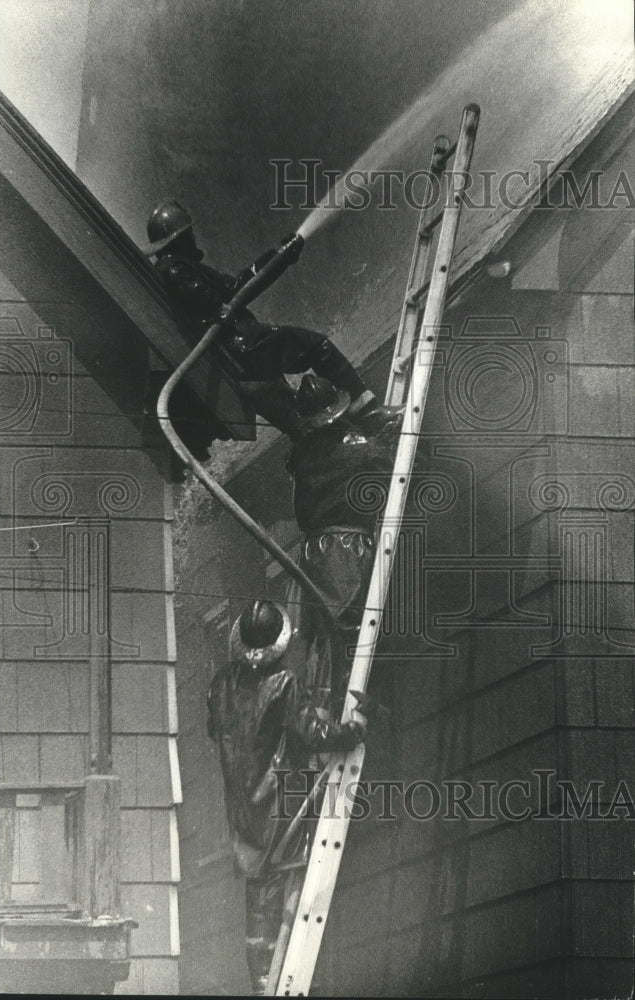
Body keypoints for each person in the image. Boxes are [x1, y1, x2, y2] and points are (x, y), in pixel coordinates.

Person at [207, 599, 365, 995]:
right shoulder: (284, 684)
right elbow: (311, 735)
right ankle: (273, 984)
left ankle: (262, 984)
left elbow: (220, 732)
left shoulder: (220, 686)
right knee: (279, 910)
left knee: (257, 908)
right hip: (281, 814)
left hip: (243, 814)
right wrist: (355, 730)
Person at [142, 199, 401, 439]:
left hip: (240, 352)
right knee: (317, 347)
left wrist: (278, 254)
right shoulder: (175, 269)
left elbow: (234, 286)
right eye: (188, 232)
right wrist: (280, 257)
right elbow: (226, 299)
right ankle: (371, 417)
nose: (192, 237)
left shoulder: (180, 266)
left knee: (297, 419)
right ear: (179, 237)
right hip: (245, 347)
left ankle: (350, 443)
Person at [285, 374, 398, 710]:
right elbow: (396, 476)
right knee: (351, 628)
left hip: (311, 554)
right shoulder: (363, 449)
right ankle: (355, 701)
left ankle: (320, 707)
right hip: (347, 549)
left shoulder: (300, 456)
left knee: (320, 636)